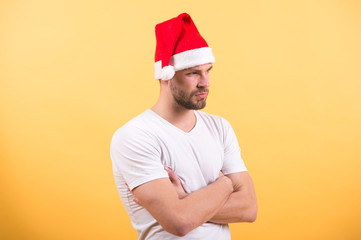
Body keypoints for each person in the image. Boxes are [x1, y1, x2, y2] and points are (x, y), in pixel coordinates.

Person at [110, 13, 257, 240]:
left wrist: (187, 200)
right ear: (166, 76)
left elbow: (248, 208)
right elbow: (179, 221)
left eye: (208, 71)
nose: (205, 82)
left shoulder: (220, 127)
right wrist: (226, 185)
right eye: (193, 73)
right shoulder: (135, 136)